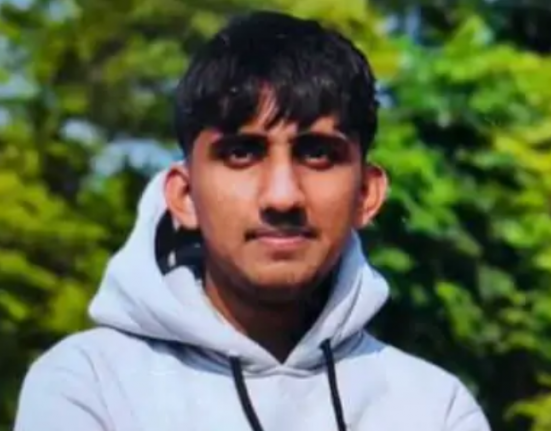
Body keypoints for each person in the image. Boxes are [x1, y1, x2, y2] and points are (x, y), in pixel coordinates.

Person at [13, 10, 491, 431]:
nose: (282, 196)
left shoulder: (436, 410)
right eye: (241, 153)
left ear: (366, 194)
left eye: (318, 154)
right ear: (184, 196)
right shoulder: (88, 384)